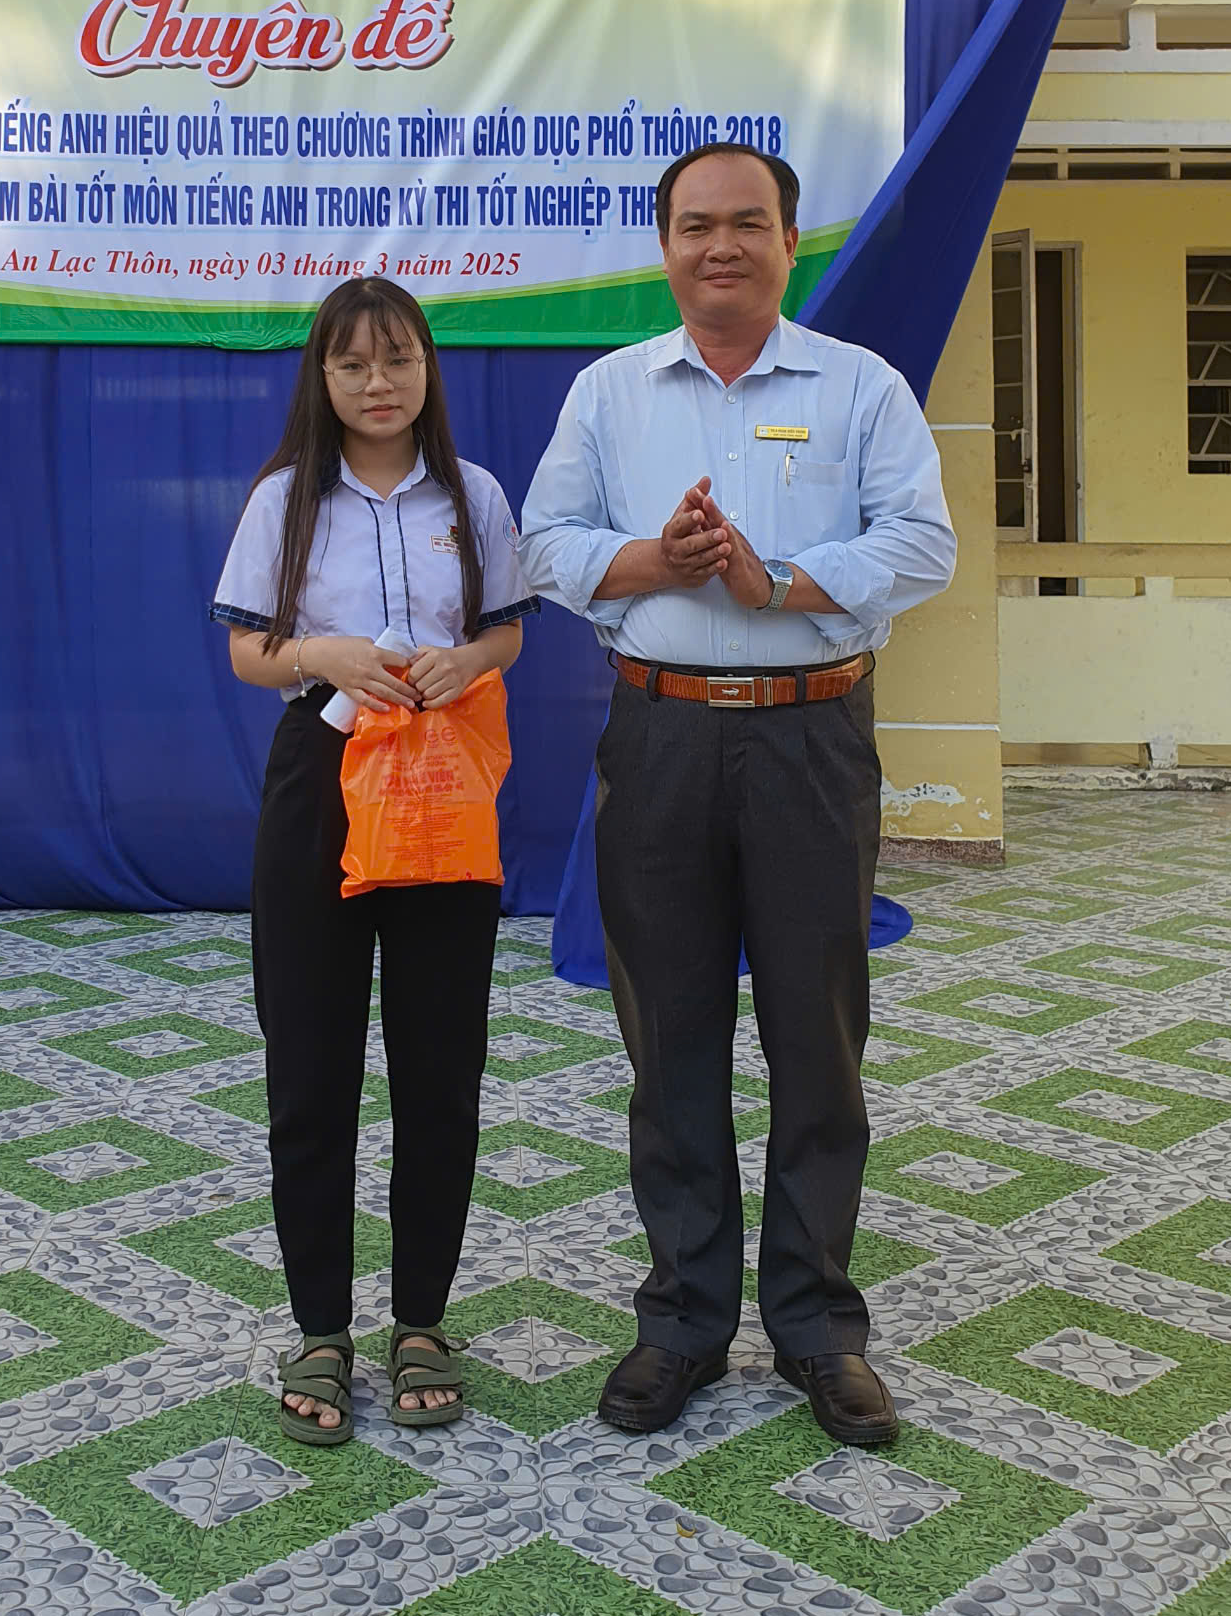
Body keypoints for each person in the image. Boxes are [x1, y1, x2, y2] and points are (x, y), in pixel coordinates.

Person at [519, 143, 956, 1447]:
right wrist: (656, 559)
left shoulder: (859, 386)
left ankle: (819, 1328)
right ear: (666, 246)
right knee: (671, 1042)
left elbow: (922, 542)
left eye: (748, 223)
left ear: (788, 241)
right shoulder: (609, 393)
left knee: (818, 1041)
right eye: (697, 224)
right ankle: (683, 1322)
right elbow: (542, 544)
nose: (722, 245)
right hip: (659, 738)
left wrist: (782, 584)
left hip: (813, 740)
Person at [214, 277, 533, 1445]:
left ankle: (422, 1323)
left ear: (427, 368)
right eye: (351, 364)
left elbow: (507, 627)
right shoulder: (285, 499)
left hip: (442, 778)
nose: (377, 382)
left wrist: (472, 661)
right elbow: (250, 651)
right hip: (323, 776)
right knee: (310, 1065)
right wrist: (324, 653)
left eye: (397, 358)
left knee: (440, 1067)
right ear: (323, 377)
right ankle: (320, 1329)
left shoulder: (474, 495)